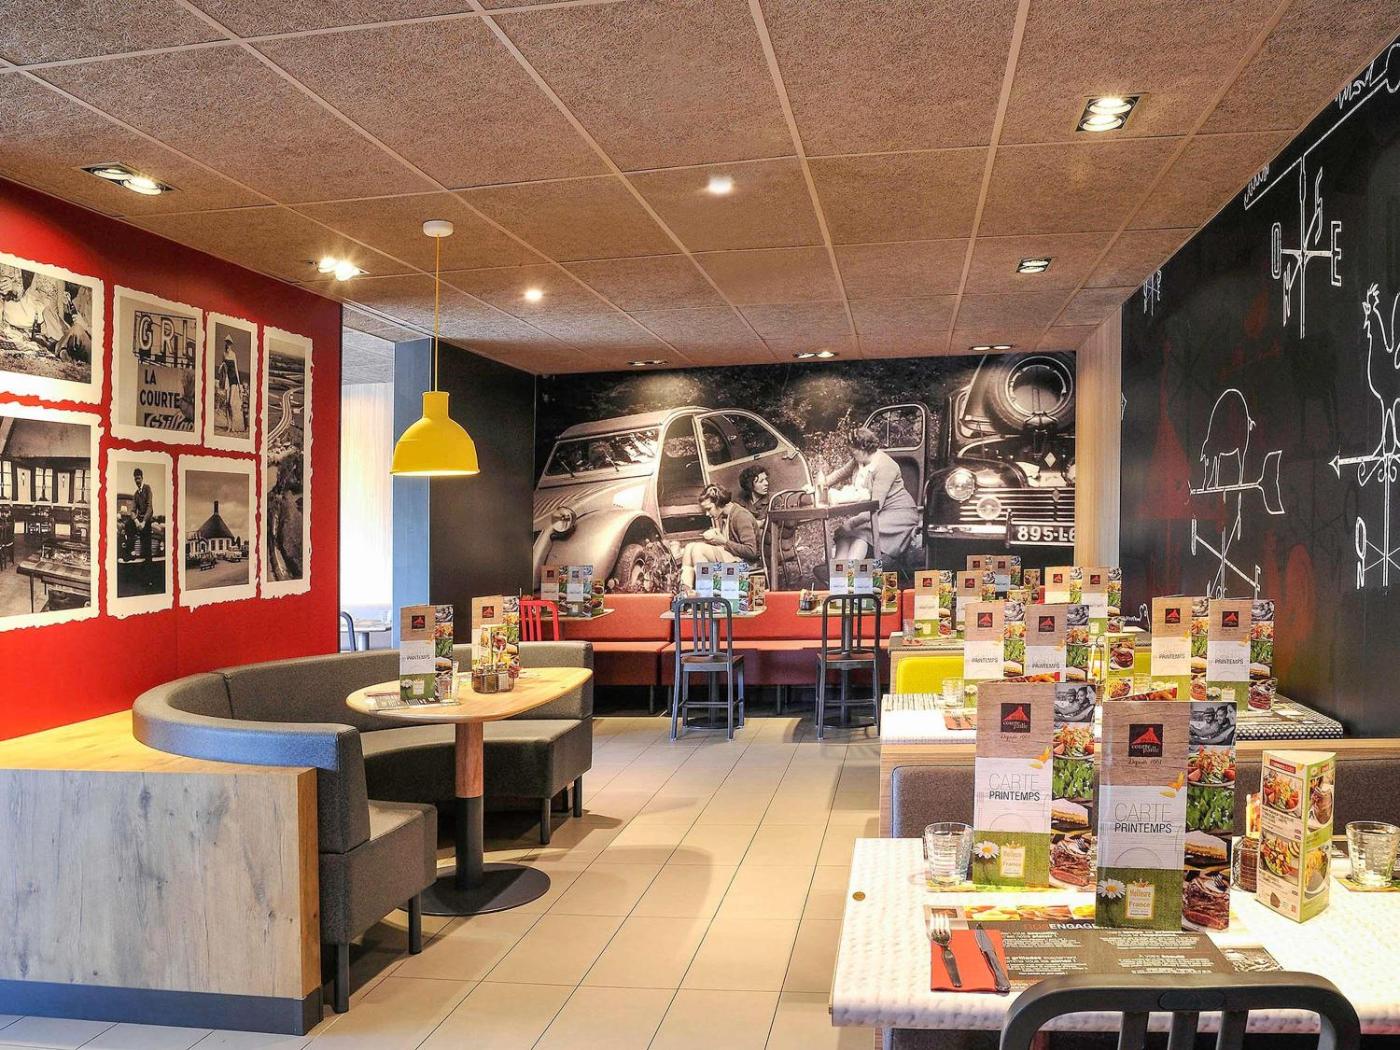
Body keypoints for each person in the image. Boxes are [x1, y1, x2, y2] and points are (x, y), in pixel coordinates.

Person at [820, 426, 919, 561]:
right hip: (877, 512)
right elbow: (839, 474)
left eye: (853, 452)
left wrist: (851, 522)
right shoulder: (859, 460)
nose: (851, 454)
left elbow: (875, 506)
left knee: (861, 533)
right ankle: (838, 571)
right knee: (844, 534)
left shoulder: (885, 466)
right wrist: (819, 485)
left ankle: (853, 571)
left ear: (864, 448)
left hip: (899, 514)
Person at [678, 484, 761, 591]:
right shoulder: (724, 515)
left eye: (709, 509)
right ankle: (686, 590)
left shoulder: (741, 516)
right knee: (689, 547)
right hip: (733, 556)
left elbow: (751, 551)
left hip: (747, 562)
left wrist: (723, 541)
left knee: (698, 549)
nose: (707, 514)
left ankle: (706, 592)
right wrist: (716, 539)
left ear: (719, 503)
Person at [220, 335, 246, 432]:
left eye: (230, 343)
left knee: (230, 403)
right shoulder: (224, 354)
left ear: (231, 345)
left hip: (234, 380)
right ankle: (229, 425)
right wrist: (222, 380)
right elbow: (223, 368)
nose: (228, 345)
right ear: (226, 343)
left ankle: (233, 425)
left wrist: (239, 385)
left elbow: (236, 369)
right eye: (227, 343)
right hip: (227, 379)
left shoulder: (233, 354)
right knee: (226, 403)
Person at [129, 468, 153, 563]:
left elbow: (150, 507)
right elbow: (132, 511)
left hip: (147, 519)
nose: (137, 481)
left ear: (142, 478)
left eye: (138, 478)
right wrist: (136, 521)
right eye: (135, 479)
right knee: (128, 524)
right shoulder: (135, 494)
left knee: (147, 545)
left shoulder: (147, 488)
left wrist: (144, 522)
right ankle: (131, 552)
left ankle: (148, 561)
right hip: (139, 520)